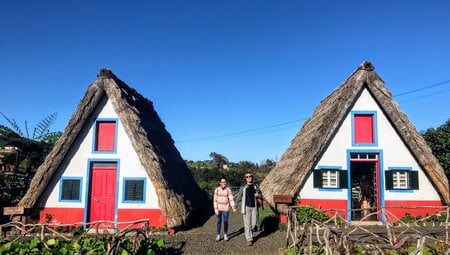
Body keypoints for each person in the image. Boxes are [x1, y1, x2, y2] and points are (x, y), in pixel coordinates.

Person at [235, 172, 262, 246]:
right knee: (247, 224)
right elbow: (239, 196)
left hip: (254, 207)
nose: (249, 177)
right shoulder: (243, 187)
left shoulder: (255, 186)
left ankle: (250, 233)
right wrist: (236, 204)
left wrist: (258, 195)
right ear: (245, 178)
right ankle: (249, 239)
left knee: (253, 223)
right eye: (247, 177)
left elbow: (260, 195)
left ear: (252, 177)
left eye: (250, 176)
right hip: (246, 207)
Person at [213, 177, 237, 242]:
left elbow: (231, 198)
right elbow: (214, 200)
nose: (224, 183)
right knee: (218, 221)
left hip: (226, 208)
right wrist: (216, 209)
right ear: (220, 183)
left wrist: (233, 207)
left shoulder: (228, 190)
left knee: (226, 222)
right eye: (222, 182)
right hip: (218, 208)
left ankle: (225, 234)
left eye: (225, 182)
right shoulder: (217, 190)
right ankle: (218, 235)